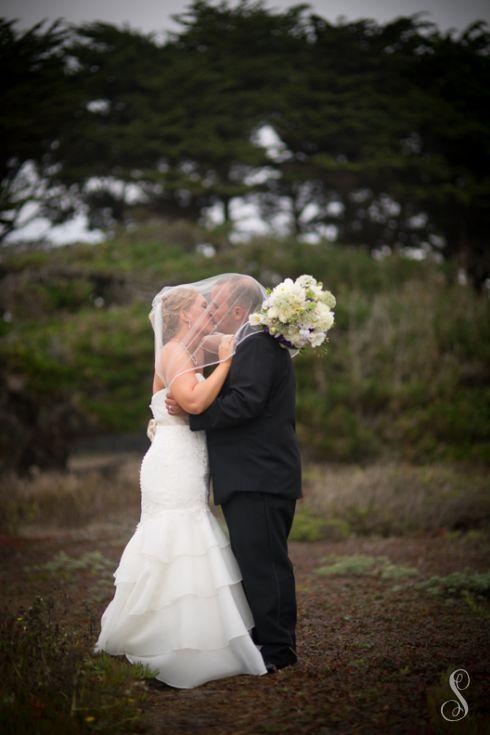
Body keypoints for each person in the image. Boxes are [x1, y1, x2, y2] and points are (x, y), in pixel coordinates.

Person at [93, 277, 268, 688]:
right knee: (178, 538)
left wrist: (279, 327)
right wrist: (224, 363)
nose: (211, 312)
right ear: (185, 315)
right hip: (173, 463)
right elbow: (192, 402)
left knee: (188, 536)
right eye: (203, 308)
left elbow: (237, 336)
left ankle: (198, 634)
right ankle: (167, 639)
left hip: (188, 459)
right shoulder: (174, 352)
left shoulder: (195, 346)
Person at [166, 274, 302, 673]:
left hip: (259, 474)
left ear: (238, 311)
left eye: (217, 304)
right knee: (254, 560)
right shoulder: (245, 342)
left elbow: (246, 403)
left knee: (265, 563)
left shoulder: (257, 344)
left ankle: (279, 650)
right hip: (252, 473)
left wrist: (195, 414)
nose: (210, 309)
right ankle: (266, 641)